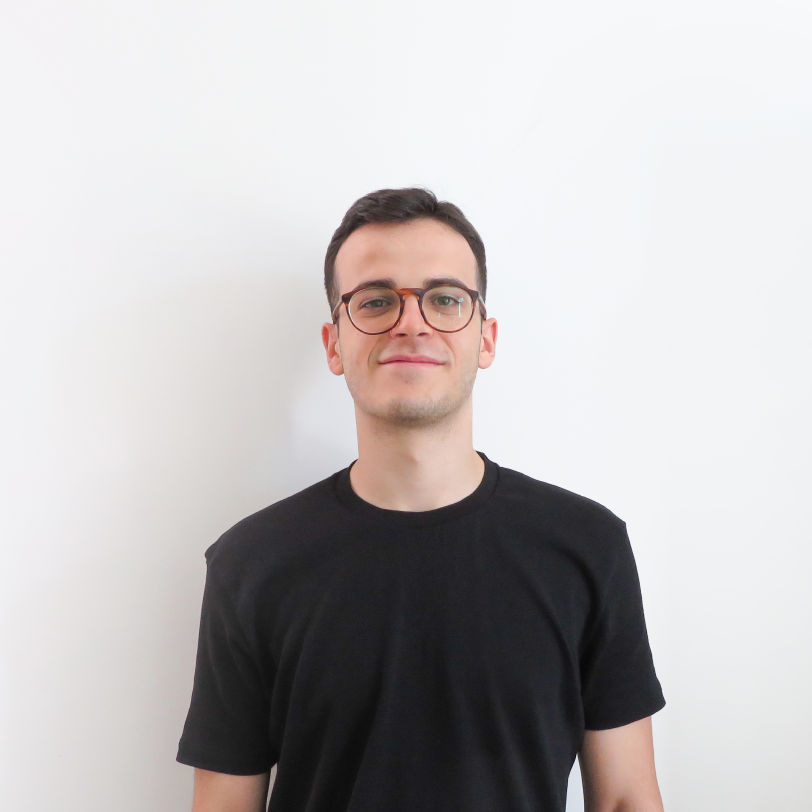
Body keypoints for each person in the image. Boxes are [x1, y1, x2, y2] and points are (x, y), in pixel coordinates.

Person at [176, 187, 666, 812]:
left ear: (486, 338)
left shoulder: (588, 548)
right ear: (334, 344)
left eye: (445, 299)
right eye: (376, 301)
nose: (412, 322)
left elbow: (626, 798)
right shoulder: (251, 563)